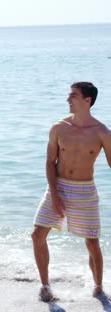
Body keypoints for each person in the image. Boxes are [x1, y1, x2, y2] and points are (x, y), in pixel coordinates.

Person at [32, 81, 110, 301]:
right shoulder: (58, 128)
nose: (68, 99)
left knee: (92, 242)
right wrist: (55, 195)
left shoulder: (102, 133)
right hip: (58, 186)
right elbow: (49, 163)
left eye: (73, 95)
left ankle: (98, 289)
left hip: (85, 190)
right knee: (37, 235)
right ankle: (45, 287)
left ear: (87, 100)